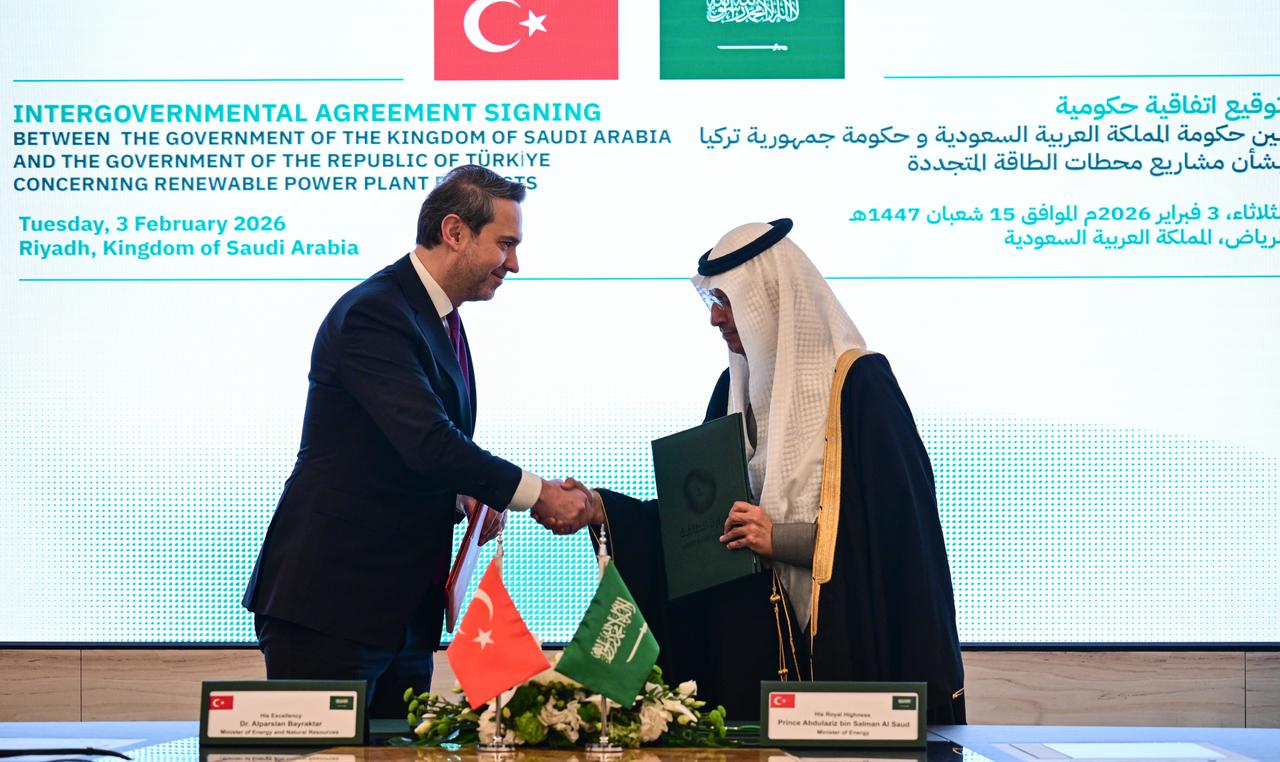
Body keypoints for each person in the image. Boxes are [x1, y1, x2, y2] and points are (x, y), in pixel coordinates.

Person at [564, 219, 965, 724]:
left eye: (726, 302)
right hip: (750, 660)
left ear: (768, 299)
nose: (715, 320)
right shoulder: (729, 395)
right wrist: (606, 510)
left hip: (849, 659)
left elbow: (897, 543)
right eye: (711, 303)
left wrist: (782, 540)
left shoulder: (862, 389)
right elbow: (704, 528)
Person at [242, 165, 593, 719]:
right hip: (332, 607)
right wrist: (536, 494)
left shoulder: (438, 316)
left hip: (399, 613)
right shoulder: (376, 313)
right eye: (505, 244)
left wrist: (460, 496)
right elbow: (428, 442)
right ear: (454, 232)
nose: (515, 264)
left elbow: (392, 455)